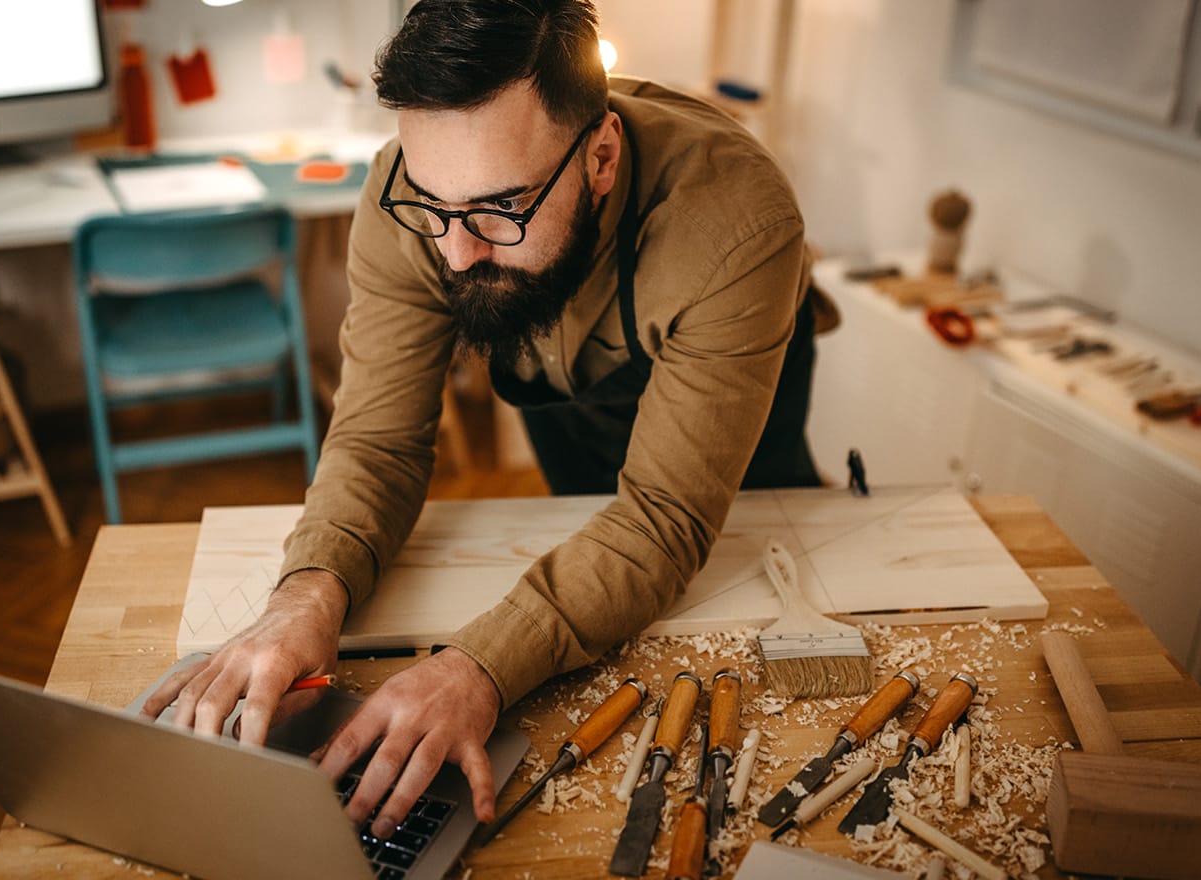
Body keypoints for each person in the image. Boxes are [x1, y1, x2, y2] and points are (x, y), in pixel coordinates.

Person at [144, 0, 825, 842]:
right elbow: (378, 441)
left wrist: (478, 667)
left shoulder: (738, 223)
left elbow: (664, 518)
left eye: (501, 209)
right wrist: (308, 592)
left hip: (738, 433)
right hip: (571, 403)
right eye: (435, 207)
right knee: (591, 559)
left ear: (601, 157)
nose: (458, 254)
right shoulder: (410, 198)